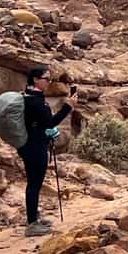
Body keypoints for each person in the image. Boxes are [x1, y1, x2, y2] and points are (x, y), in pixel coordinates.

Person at [20, 66, 74, 233]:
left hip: (29, 145)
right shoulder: (35, 101)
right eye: (46, 79)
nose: (49, 82)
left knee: (33, 183)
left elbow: (41, 124)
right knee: (34, 184)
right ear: (35, 79)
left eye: (50, 79)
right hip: (35, 147)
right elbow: (50, 122)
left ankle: (33, 218)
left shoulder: (29, 97)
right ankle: (32, 225)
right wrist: (68, 107)